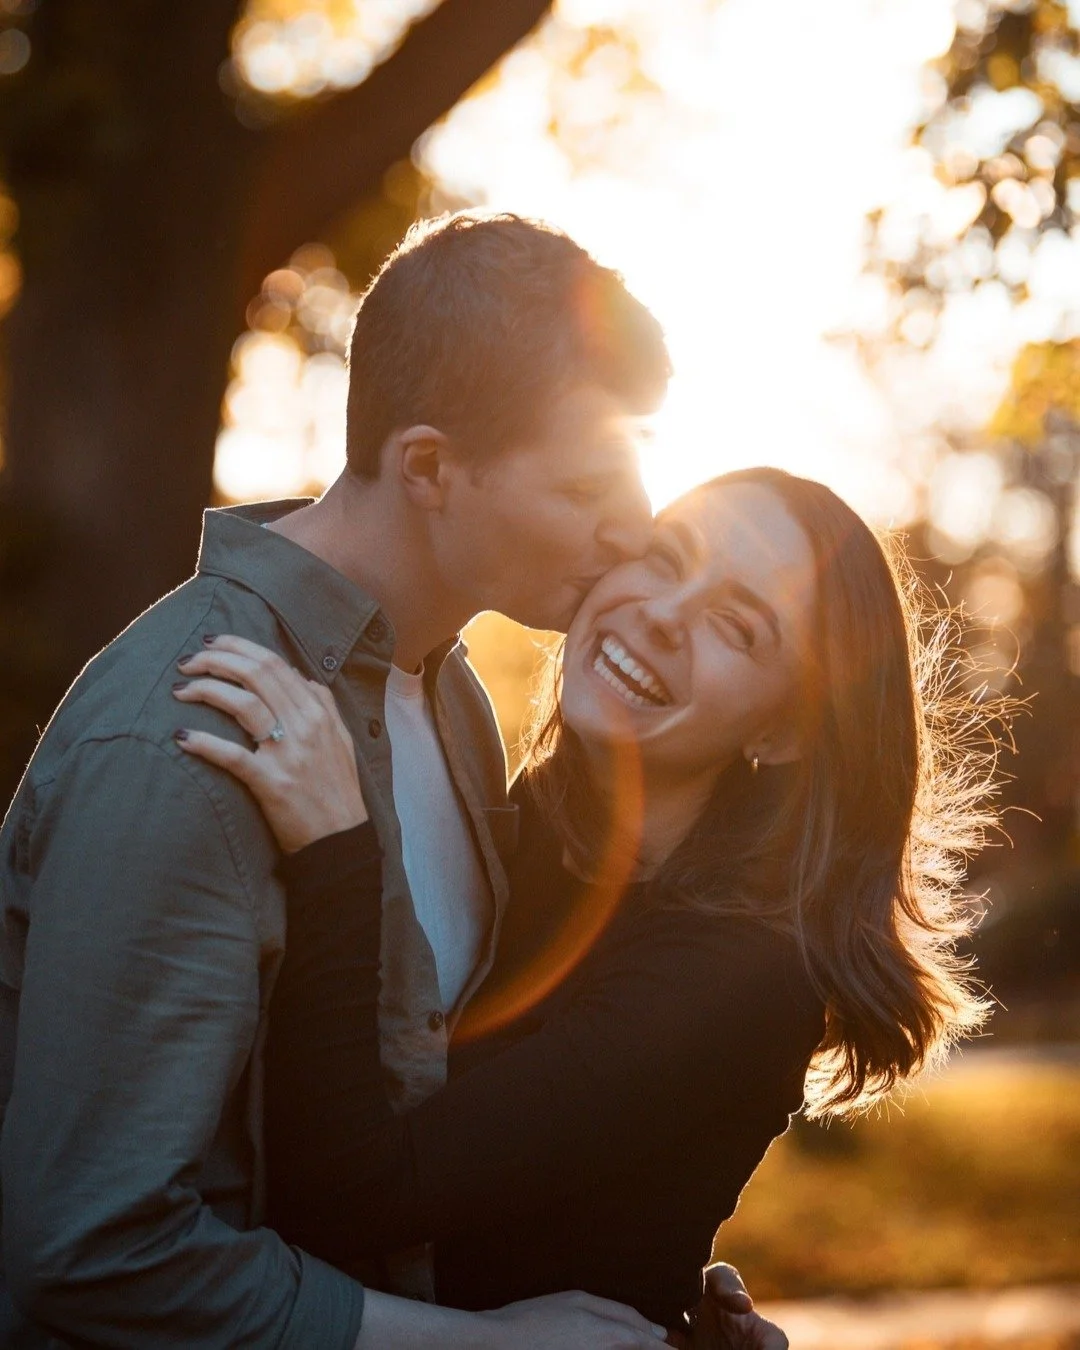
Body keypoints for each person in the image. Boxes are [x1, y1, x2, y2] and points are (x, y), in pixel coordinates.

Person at [0, 211, 767, 1349]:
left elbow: (411, 1125)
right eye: (586, 486)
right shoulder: (191, 738)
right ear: (428, 468)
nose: (633, 528)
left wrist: (648, 1275)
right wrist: (496, 1348)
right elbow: (97, 1249)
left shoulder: (450, 701)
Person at [172, 468, 997, 1343]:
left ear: (781, 730)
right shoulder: (518, 824)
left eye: (736, 626)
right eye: (666, 556)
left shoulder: (740, 973)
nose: (663, 614)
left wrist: (334, 853)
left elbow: (348, 1190)